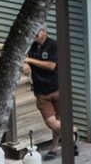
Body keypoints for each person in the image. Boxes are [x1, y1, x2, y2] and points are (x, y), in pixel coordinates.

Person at [25, 24, 64, 155]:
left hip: (57, 87)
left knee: (58, 120)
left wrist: (29, 60)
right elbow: (22, 57)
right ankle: (72, 137)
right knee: (50, 121)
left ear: (45, 31)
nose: (35, 34)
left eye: (37, 31)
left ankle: (53, 148)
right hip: (41, 91)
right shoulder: (31, 46)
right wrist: (25, 64)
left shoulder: (53, 45)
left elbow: (51, 65)